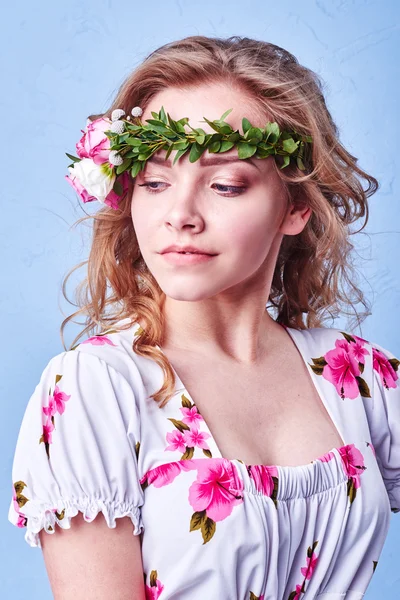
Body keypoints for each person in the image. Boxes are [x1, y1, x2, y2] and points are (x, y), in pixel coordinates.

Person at [8, 35, 399, 600]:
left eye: (225, 184)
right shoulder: (100, 388)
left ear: (295, 207)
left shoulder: (362, 378)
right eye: (155, 182)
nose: (180, 216)